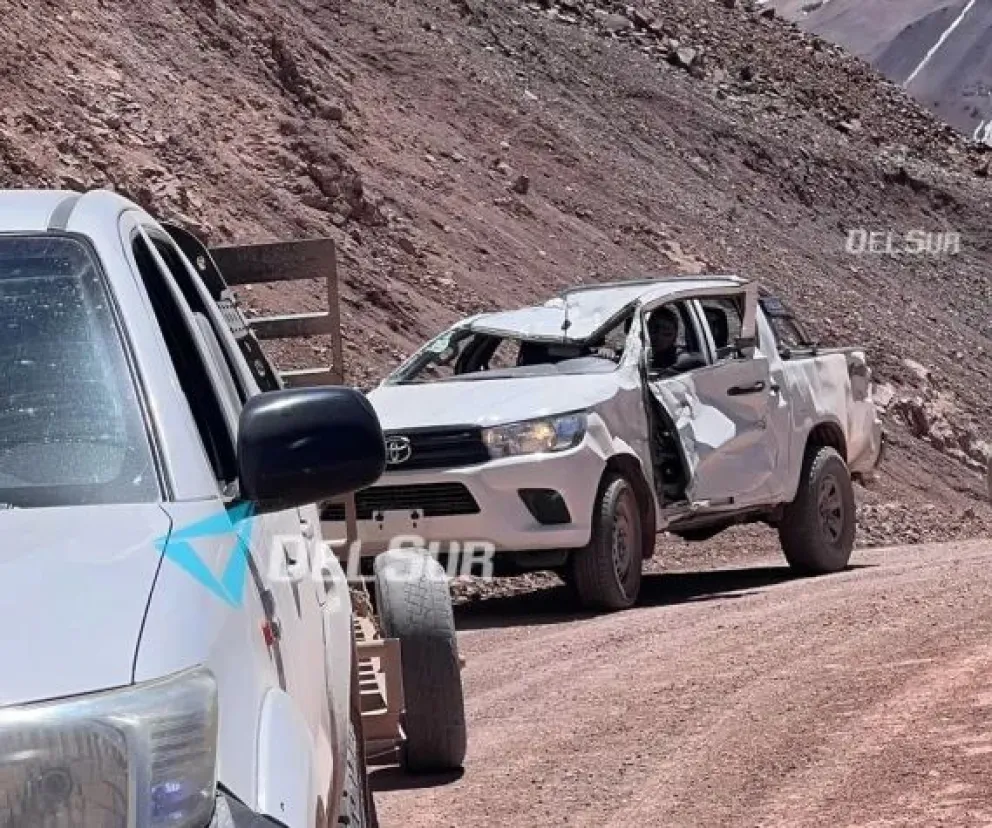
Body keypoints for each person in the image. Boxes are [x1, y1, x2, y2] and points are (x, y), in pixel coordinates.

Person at [648, 306, 680, 372]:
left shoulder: (678, 360)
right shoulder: (635, 356)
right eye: (654, 331)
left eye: (667, 334)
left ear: (675, 336)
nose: (659, 338)